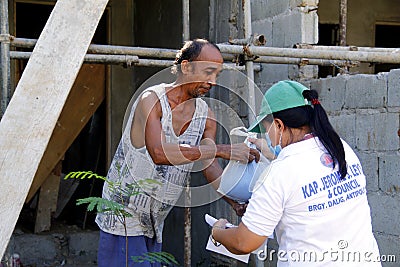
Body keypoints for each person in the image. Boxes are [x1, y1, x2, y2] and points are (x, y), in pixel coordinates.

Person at [95, 38, 260, 267]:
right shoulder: (151, 100)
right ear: (186, 67)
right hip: (123, 214)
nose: (212, 81)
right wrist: (224, 150)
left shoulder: (206, 115)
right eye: (208, 72)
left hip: (155, 221)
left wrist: (233, 201)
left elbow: (208, 163)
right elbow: (159, 153)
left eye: (217, 75)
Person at [210, 80, 382, 266]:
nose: (267, 136)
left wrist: (218, 232)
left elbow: (243, 243)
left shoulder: (279, 173)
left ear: (279, 125)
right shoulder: (341, 149)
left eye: (266, 129)